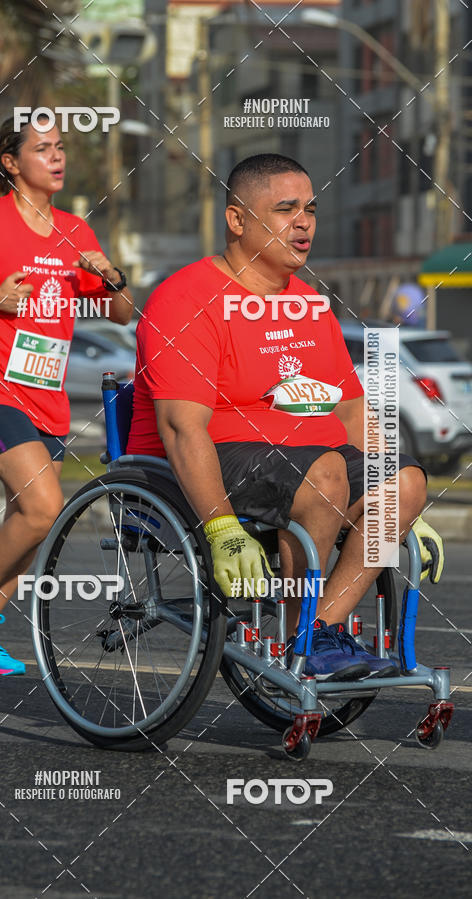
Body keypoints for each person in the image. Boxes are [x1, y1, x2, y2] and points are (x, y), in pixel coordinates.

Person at [126, 153, 443, 681]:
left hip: (309, 462)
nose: (304, 222)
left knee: (404, 479)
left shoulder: (308, 303)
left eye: (311, 210)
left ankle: (318, 634)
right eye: (285, 209)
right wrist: (221, 527)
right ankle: (306, 639)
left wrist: (401, 505)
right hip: (217, 457)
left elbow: (349, 407)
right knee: (326, 473)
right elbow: (182, 428)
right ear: (236, 219)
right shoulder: (186, 299)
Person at [0, 114, 134, 675]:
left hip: (47, 396)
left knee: (29, 520)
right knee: (44, 507)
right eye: (43, 149)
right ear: (13, 163)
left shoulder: (76, 232)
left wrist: (112, 276)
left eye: (61, 148)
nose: (58, 157)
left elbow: (121, 313)